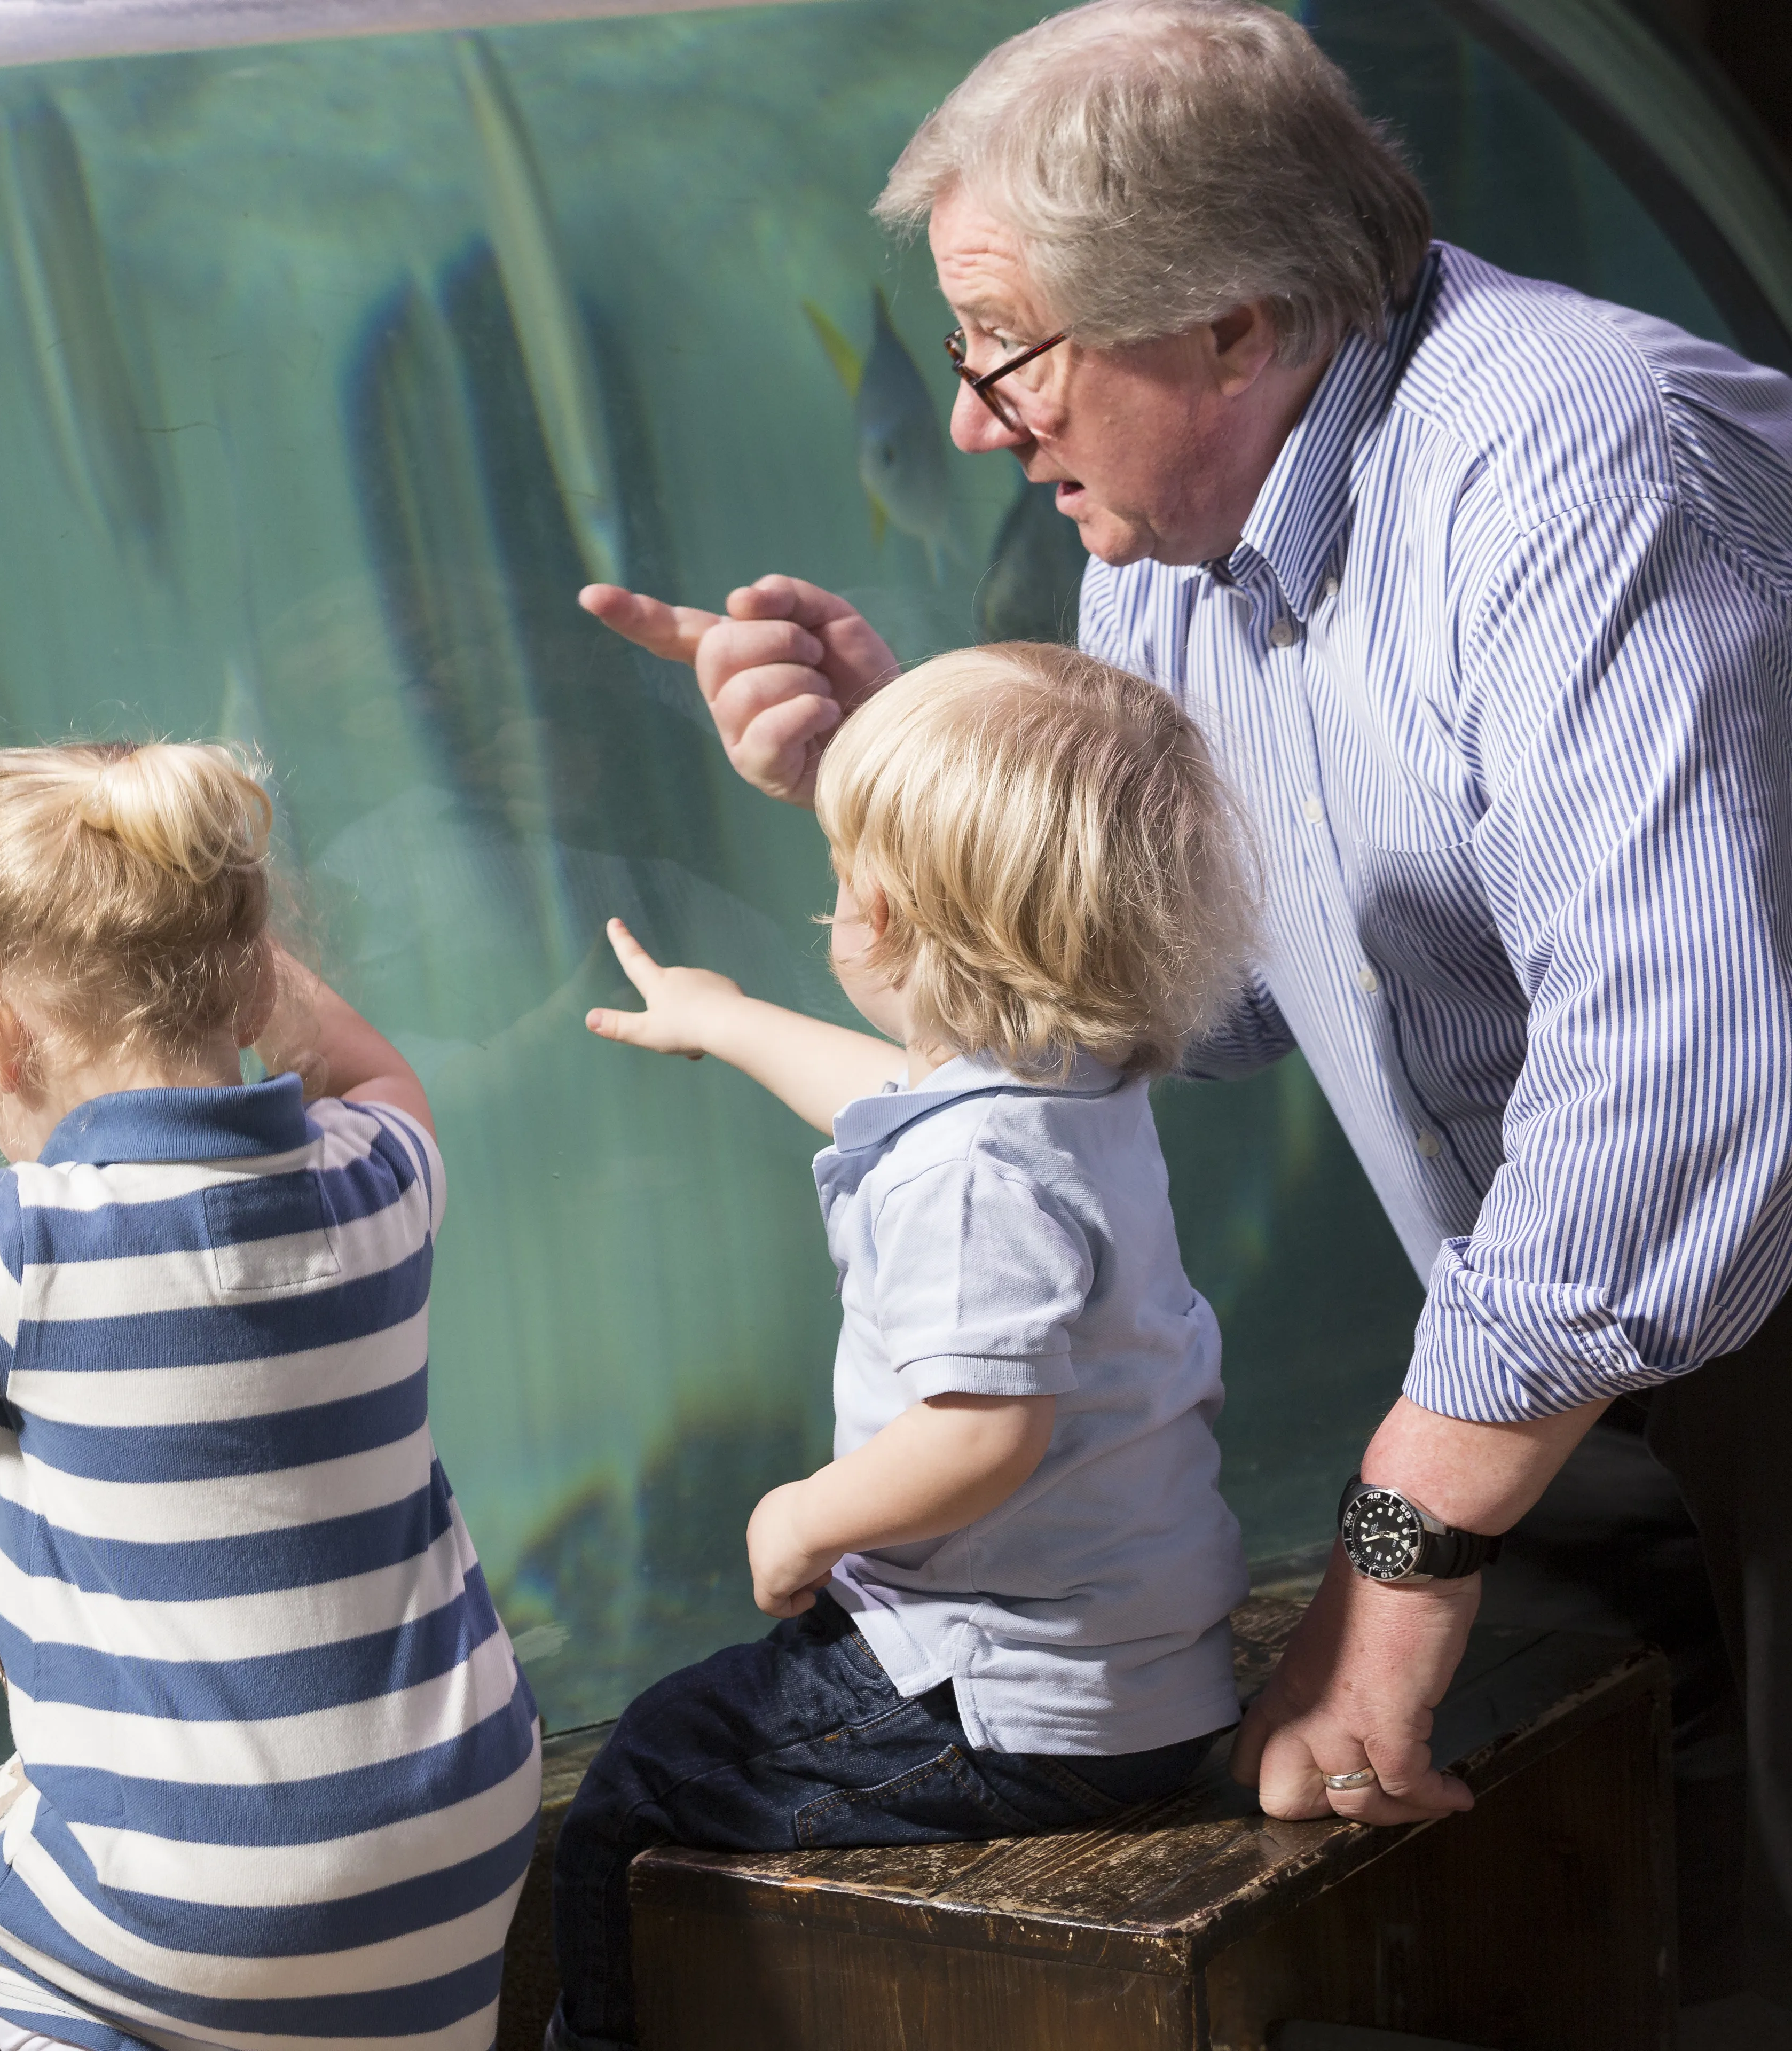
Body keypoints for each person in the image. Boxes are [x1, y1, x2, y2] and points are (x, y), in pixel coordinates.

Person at [584, 0, 1792, 2005]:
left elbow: (1677, 1089)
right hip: (1590, 1323)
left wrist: (1403, 1549)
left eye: (1009, 342)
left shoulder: (1574, 470)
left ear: (1234, 322)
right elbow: (1215, 987)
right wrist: (913, 780)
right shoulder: (1163, 544)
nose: (974, 415)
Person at [0, 741, 543, 2051]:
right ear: (263, 970)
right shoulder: (378, 1179)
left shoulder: (27, 1245)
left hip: (202, 1908)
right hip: (465, 1835)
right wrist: (239, 953)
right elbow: (383, 1076)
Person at [544, 643, 1255, 2050]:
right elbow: (893, 1096)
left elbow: (983, 1434)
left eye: (840, 869)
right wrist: (728, 1022)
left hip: (1001, 1708)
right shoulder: (1073, 1088)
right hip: (1140, 1671)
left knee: (641, 1780)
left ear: (883, 916)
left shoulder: (971, 1173)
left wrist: (800, 1522)